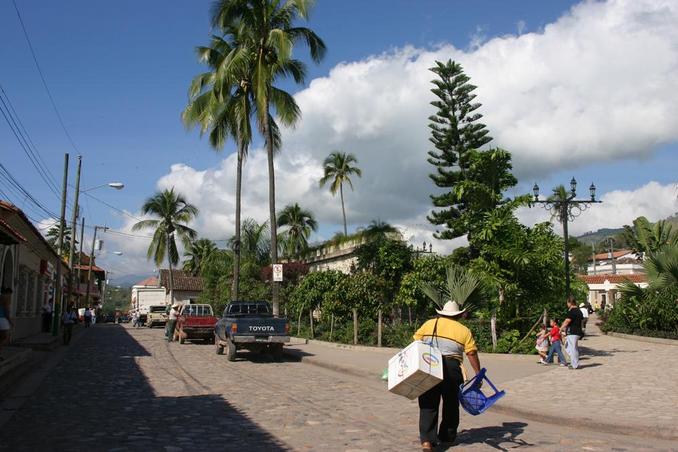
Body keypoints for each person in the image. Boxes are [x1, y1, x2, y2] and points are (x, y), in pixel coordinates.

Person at [413, 301, 481, 450]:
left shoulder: (429, 324)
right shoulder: (464, 330)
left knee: (428, 403)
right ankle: (447, 437)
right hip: (452, 368)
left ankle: (427, 440)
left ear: (442, 313)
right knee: (451, 403)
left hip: (429, 364)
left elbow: (416, 341)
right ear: (458, 315)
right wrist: (477, 372)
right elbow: (471, 352)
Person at [561, 296, 584, 369]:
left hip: (572, 332)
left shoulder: (572, 311)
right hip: (577, 331)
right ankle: (574, 362)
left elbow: (567, 321)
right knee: (570, 347)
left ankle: (575, 364)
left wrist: (561, 328)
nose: (567, 304)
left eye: (567, 303)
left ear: (570, 302)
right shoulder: (579, 311)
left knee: (573, 348)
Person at [0, 287, 13, 360]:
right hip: (2, 320)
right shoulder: (6, 299)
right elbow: (6, 312)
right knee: (4, 337)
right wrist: (10, 321)